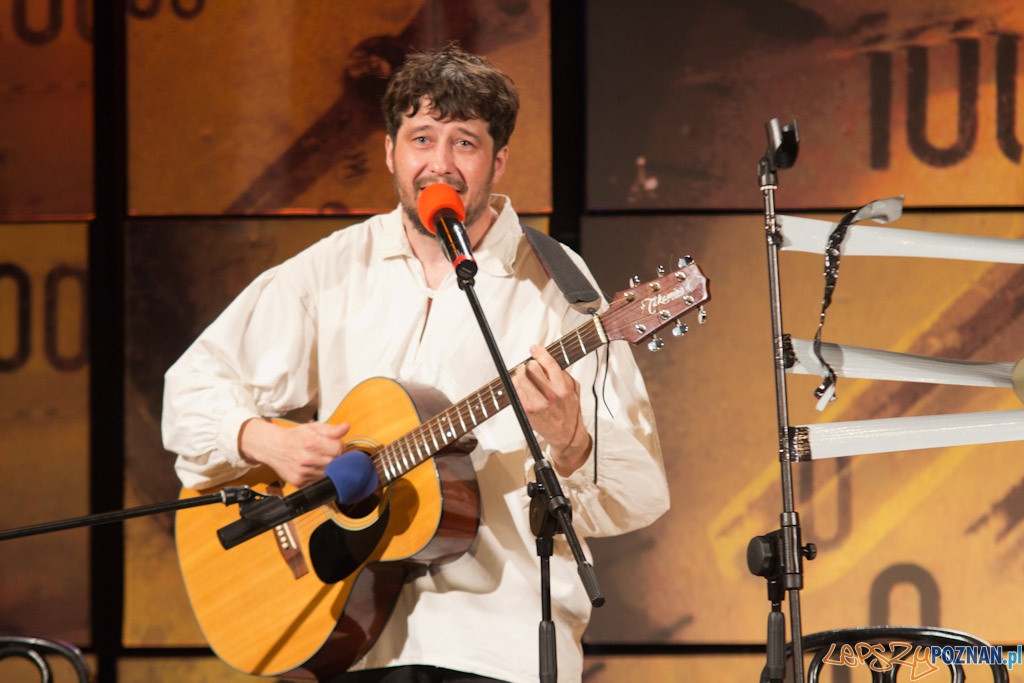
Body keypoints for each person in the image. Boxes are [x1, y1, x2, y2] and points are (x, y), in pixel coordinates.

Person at [162, 44, 669, 683]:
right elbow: (190, 388)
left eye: (465, 143)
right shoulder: (333, 267)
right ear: (389, 153)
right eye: (421, 138)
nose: (440, 164)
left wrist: (572, 441)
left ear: (498, 161)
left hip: (496, 646)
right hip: (345, 634)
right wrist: (266, 440)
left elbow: (640, 493)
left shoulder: (558, 283)